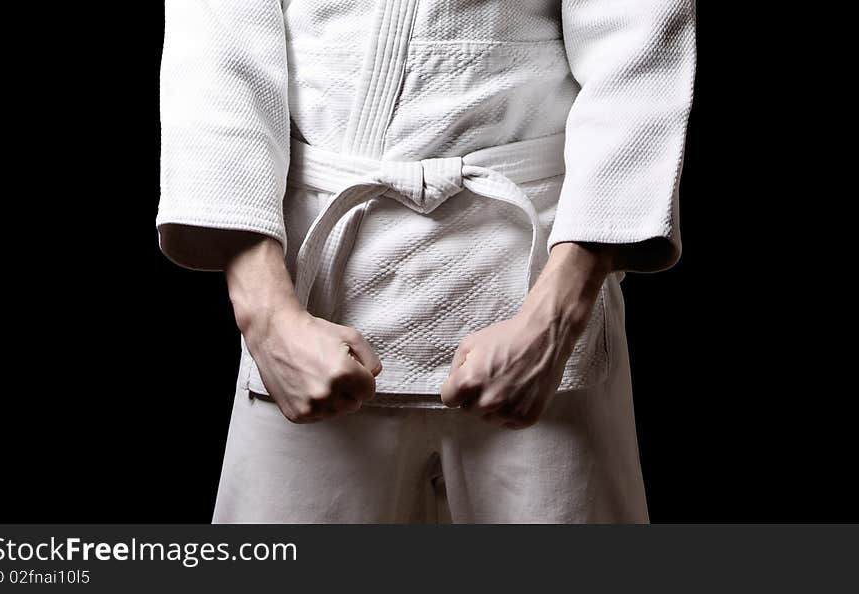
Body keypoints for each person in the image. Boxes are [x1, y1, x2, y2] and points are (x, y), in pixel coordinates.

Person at [157, 0, 696, 523]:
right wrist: (268, 318)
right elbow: (216, 50)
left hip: (532, 292)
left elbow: (636, 57)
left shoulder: (550, 320)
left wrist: (554, 320)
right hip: (314, 310)